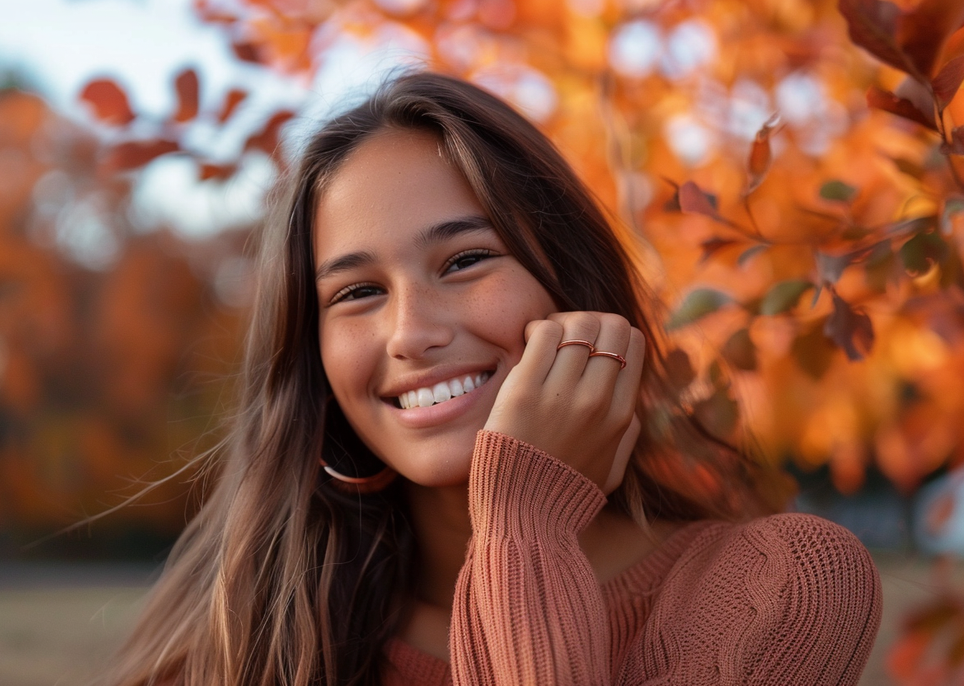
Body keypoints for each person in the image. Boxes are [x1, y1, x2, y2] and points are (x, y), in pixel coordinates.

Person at [104, 71, 882, 686]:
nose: (411, 333)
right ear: (313, 360)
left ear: (573, 288)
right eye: (358, 292)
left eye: (466, 260)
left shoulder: (781, 585)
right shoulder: (240, 644)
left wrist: (525, 523)